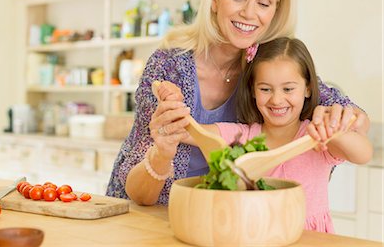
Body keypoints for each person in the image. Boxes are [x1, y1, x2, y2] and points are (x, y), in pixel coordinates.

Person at [106, 0, 370, 206]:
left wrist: (340, 118)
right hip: (150, 216)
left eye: (264, 3)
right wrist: (163, 149)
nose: (249, 13)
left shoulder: (270, 67)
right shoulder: (170, 66)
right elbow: (140, 195)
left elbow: (357, 119)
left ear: (275, 11)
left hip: (219, 220)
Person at [152, 37, 373, 233]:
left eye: (288, 89)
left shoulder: (315, 138)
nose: (277, 100)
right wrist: (173, 103)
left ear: (307, 88)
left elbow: (363, 154)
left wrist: (333, 132)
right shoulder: (243, 136)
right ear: (253, 91)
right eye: (265, 89)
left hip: (309, 238)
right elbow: (193, 132)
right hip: (257, 234)